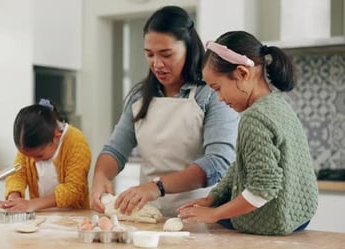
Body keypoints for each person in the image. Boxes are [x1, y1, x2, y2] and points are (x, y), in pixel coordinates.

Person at [90, 6, 239, 217]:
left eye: (166, 54)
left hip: (201, 216)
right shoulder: (139, 97)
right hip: (149, 215)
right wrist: (101, 176)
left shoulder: (212, 93)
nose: (157, 64)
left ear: (189, 48)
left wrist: (156, 187)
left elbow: (219, 162)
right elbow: (115, 150)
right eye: (149, 55)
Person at [179, 31, 319, 235]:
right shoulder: (278, 104)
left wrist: (215, 213)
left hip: (270, 219)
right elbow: (243, 164)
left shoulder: (254, 118)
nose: (219, 98)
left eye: (217, 88)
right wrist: (214, 198)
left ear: (243, 74)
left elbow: (263, 188)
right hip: (298, 216)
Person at [0, 99, 91, 212]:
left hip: (74, 216)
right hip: (41, 215)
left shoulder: (76, 141)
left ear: (56, 135)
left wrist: (30, 204)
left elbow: (74, 190)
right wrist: (14, 198)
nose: (34, 161)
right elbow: (18, 174)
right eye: (27, 156)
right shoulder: (28, 145)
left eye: (39, 156)